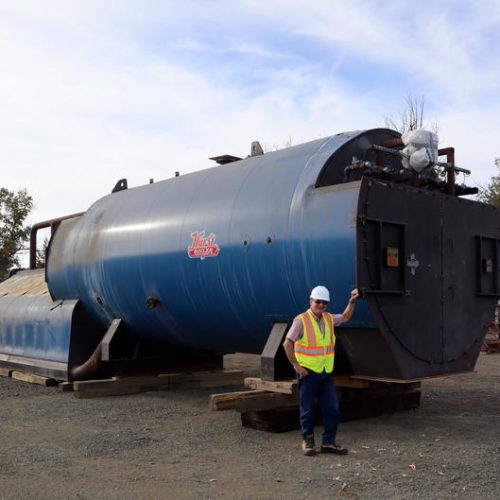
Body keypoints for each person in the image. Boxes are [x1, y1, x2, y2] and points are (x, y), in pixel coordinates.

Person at [283, 285, 359, 456]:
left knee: (332, 408)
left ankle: (328, 443)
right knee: (308, 409)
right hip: (308, 373)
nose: (321, 305)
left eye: (324, 303)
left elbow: (345, 317)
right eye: (318, 302)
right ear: (311, 301)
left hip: (325, 372)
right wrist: (297, 366)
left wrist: (352, 301)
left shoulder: (329, 319)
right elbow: (287, 343)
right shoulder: (301, 320)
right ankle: (308, 441)